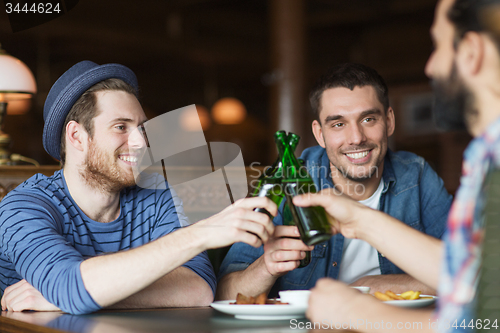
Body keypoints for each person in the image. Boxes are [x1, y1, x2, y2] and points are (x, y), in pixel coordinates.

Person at [0, 61, 277, 315]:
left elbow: (198, 289)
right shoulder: (22, 207)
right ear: (77, 136)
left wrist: (70, 297)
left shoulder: (157, 196)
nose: (142, 143)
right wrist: (201, 233)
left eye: (142, 129)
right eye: (121, 127)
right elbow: (68, 287)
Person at [294, 0, 500, 331]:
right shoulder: (485, 154)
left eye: (439, 46)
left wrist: (359, 314)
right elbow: (471, 275)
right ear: (319, 133)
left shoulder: (475, 162)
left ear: (472, 52)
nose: (431, 66)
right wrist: (360, 221)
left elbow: (484, 315)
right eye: (338, 124)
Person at [216, 63, 452, 300]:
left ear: (389, 121)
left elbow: (469, 272)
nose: (356, 138)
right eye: (338, 124)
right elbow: (225, 292)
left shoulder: (416, 176)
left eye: (369, 119)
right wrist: (266, 267)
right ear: (319, 134)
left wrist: (371, 287)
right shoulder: (288, 180)